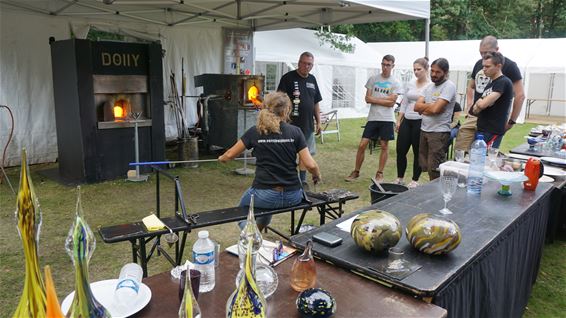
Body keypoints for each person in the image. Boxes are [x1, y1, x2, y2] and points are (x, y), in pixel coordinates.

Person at [219, 92, 321, 231]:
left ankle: (252, 236)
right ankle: (258, 233)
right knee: (267, 208)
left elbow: (230, 154)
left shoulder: (255, 132)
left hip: (264, 195)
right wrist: (316, 175)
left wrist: (222, 158)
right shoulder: (295, 131)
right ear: (286, 110)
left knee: (241, 213)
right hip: (294, 195)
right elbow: (310, 165)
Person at [455, 35, 525, 152]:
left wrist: (511, 121)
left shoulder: (510, 67)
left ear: (497, 50)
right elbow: (471, 86)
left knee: (483, 154)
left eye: (487, 52)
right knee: (462, 148)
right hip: (476, 116)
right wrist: (469, 106)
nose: (483, 57)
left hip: (493, 121)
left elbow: (520, 95)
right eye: (481, 53)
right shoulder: (480, 64)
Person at [345, 55, 402, 182]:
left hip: (387, 118)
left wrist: (375, 99)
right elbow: (367, 99)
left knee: (384, 146)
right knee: (362, 145)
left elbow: (392, 103)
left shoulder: (396, 82)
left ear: (393, 66)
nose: (385, 67)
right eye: (383, 64)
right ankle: (356, 171)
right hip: (373, 117)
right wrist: (385, 99)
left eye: (388, 65)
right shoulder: (373, 79)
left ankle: (380, 173)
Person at [277, 52, 322, 188]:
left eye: (309, 64)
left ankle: (302, 180)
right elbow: (280, 100)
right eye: (304, 63)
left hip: (307, 124)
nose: (306, 66)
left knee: (305, 153)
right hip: (290, 124)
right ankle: (288, 178)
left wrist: (318, 121)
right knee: (288, 153)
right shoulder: (288, 78)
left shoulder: (312, 80)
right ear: (299, 62)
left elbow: (316, 102)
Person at [414, 58, 457, 180]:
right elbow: (416, 107)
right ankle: (432, 190)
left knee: (435, 168)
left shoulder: (449, 86)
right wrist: (432, 106)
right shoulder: (428, 87)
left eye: (438, 72)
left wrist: (429, 108)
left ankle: (438, 194)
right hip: (424, 130)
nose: (433, 74)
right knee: (424, 165)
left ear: (446, 72)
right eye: (432, 71)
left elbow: (436, 110)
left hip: (439, 133)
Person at [394, 57, 430, 188]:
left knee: (417, 152)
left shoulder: (430, 86)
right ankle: (400, 177)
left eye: (419, 69)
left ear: (426, 69)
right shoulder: (410, 83)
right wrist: (399, 120)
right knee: (401, 150)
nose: (416, 72)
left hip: (420, 121)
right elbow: (404, 102)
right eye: (414, 69)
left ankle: (415, 180)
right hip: (407, 120)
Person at [468, 52, 514, 148]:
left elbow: (481, 105)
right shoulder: (490, 84)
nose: (484, 69)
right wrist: (480, 103)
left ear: (498, 66)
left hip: (492, 131)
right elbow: (474, 109)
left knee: (487, 160)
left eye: (487, 66)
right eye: (483, 66)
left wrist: (481, 103)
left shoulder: (503, 82)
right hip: (482, 129)